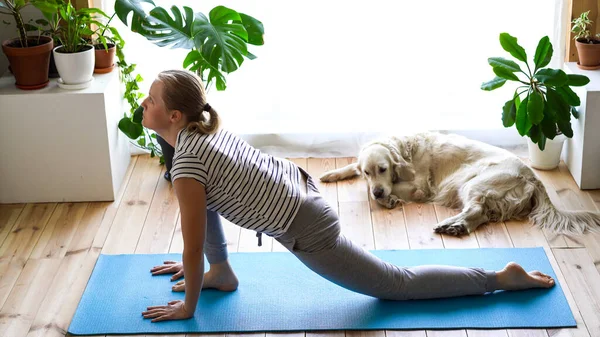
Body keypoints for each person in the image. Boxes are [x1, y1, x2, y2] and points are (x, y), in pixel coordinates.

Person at [140, 69, 555, 323]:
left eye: (152, 99)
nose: (144, 102)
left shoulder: (187, 163)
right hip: (301, 192)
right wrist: (217, 271)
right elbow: (208, 209)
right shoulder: (199, 135)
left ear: (174, 117)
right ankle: (225, 273)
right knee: (209, 208)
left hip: (306, 225)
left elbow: (191, 247)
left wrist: (188, 308)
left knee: (395, 284)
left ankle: (501, 278)